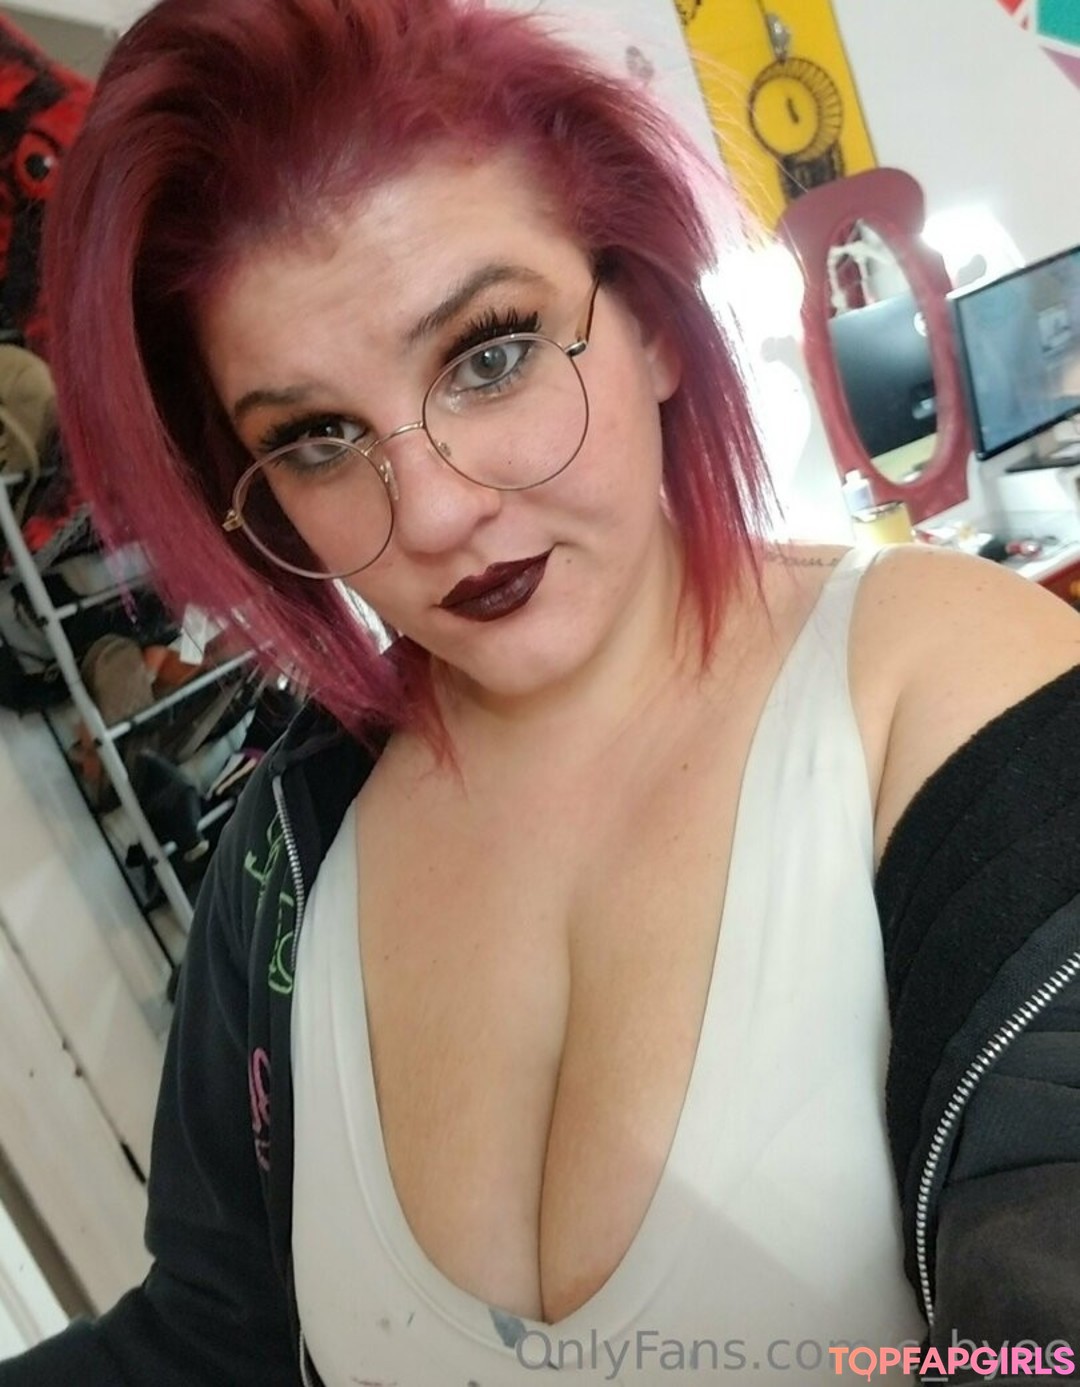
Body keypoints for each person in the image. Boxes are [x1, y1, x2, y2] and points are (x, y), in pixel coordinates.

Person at [3, 1, 1080, 1383]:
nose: (436, 511)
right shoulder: (287, 859)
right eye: (318, 438)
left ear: (654, 325)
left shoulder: (937, 684)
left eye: (491, 354)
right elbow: (212, 1334)